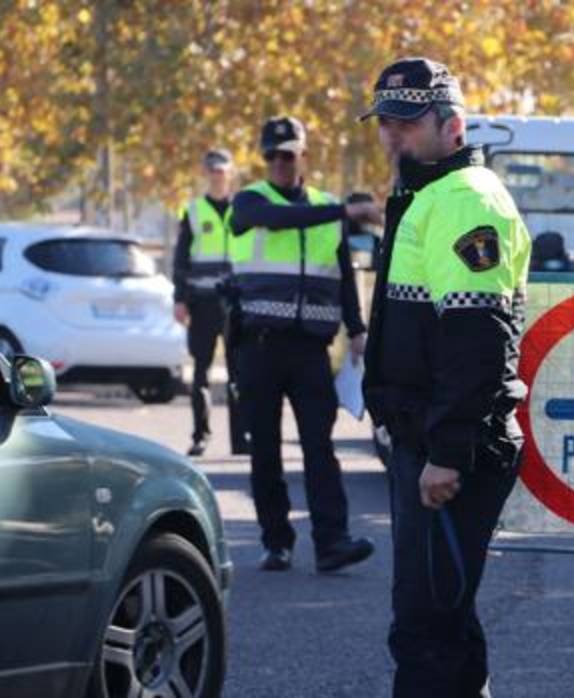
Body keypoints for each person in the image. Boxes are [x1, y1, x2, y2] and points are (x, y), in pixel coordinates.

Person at [360, 57, 531, 697]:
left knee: (425, 630)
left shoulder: (465, 200)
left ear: (451, 124)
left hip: (450, 446)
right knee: (445, 623)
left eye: (406, 122)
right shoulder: (426, 194)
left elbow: (476, 339)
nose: (392, 135)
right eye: (384, 122)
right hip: (427, 436)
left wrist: (448, 452)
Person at [226, 115, 383, 573]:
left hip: (310, 349)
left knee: (320, 448)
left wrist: (356, 329)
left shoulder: (325, 206)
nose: (279, 163)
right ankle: (277, 542)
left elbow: (345, 277)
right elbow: (275, 220)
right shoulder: (250, 201)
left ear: (303, 157)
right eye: (272, 155)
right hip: (257, 347)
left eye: (288, 154)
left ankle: (332, 542)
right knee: (266, 451)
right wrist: (346, 212)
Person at [172, 148, 248, 457]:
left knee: (238, 372)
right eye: (213, 170)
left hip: (236, 303)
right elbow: (180, 259)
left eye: (222, 170)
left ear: (230, 173)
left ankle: (240, 439)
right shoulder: (192, 211)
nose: (217, 175)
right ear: (206, 173)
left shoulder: (245, 209)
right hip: (202, 302)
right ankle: (200, 436)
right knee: (201, 372)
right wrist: (180, 299)